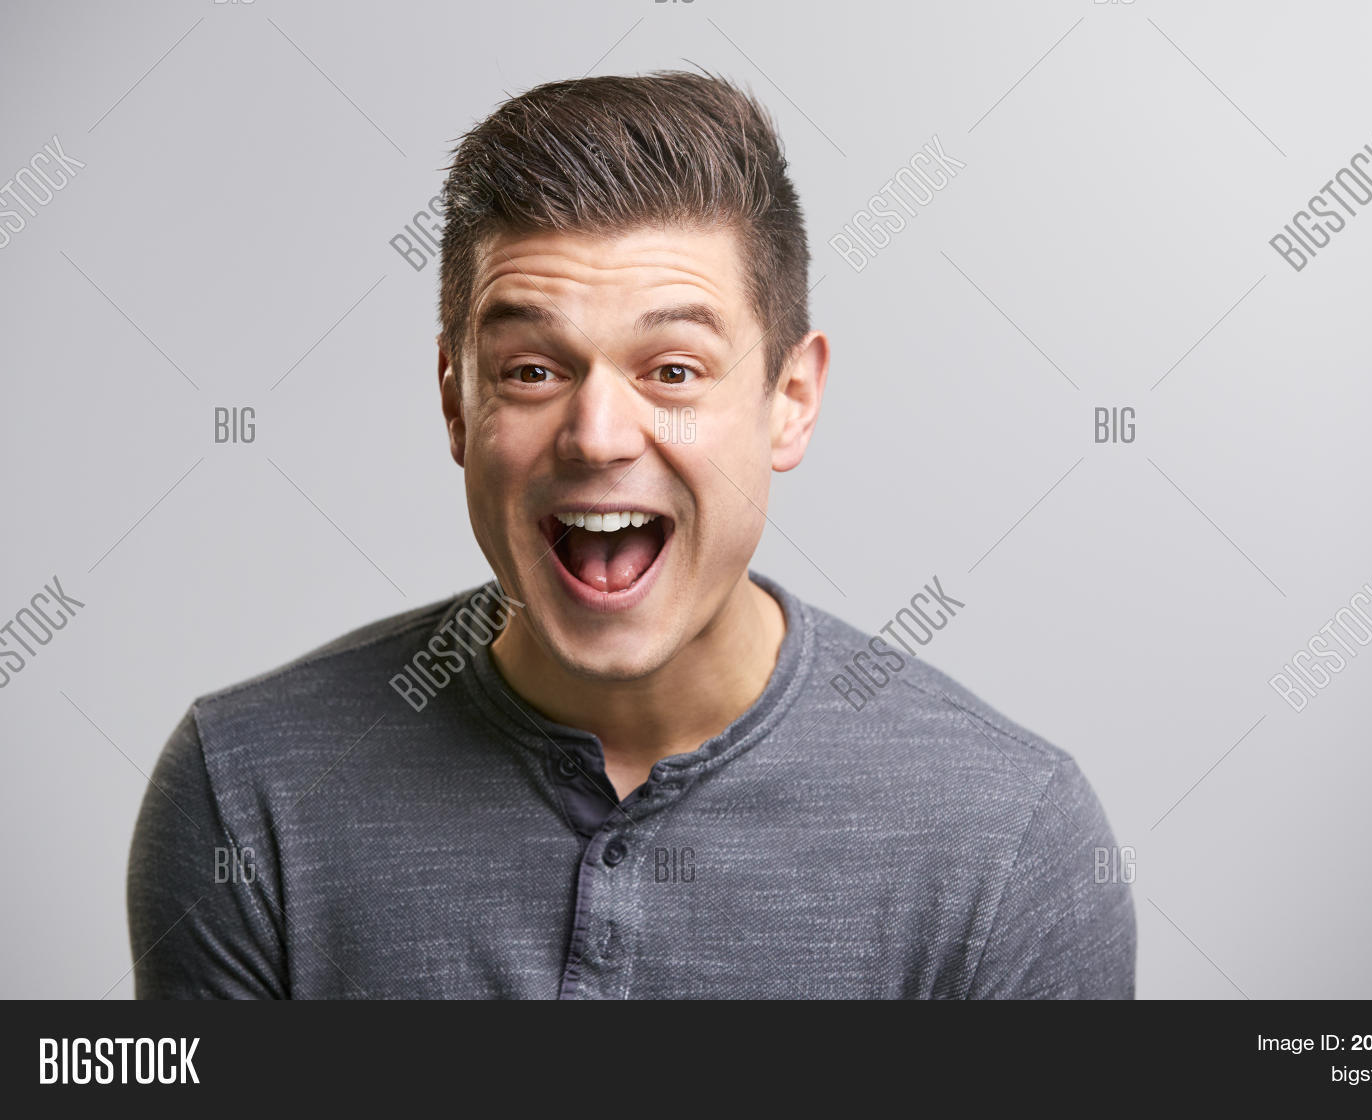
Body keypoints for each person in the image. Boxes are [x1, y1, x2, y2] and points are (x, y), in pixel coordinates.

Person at [128, 71, 1135, 998]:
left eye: (674, 371)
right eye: (531, 370)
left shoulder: (1010, 842)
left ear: (791, 399)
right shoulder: (249, 792)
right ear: (455, 404)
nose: (598, 436)